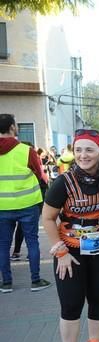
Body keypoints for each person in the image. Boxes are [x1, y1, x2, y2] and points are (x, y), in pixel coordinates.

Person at [41, 129, 99, 342]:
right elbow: (48, 218)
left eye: (90, 149)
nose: (83, 155)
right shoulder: (64, 182)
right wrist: (60, 252)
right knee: (71, 304)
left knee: (98, 300)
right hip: (70, 253)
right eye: (78, 149)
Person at [0, 113, 51, 293]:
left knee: (3, 245)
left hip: (1, 207)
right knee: (32, 241)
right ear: (13, 128)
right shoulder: (25, 150)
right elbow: (40, 174)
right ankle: (35, 281)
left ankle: (6, 283)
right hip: (28, 204)